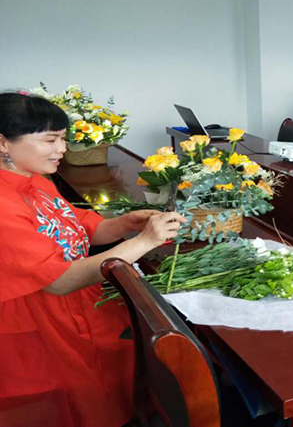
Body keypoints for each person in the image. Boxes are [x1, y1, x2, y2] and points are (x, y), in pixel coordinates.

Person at [0, 92, 186, 427]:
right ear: (3, 143)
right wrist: (145, 241)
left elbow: (78, 225)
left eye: (63, 138)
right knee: (74, 398)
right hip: (42, 319)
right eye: (50, 140)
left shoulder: (36, 180)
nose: (62, 149)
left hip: (78, 302)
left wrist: (122, 224)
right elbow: (58, 281)